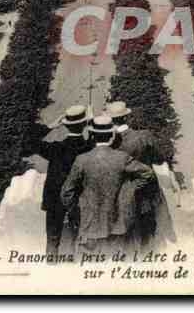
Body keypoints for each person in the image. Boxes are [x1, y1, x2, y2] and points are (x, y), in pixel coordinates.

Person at [61, 114, 154, 254]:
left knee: (88, 270)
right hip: (118, 224)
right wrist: (129, 190)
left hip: (90, 224)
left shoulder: (82, 160)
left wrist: (77, 211)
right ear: (111, 135)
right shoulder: (122, 158)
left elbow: (66, 192)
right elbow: (148, 173)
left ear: (92, 134)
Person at [36, 105, 92, 258]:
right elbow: (101, 140)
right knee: (81, 241)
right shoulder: (89, 147)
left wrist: (49, 127)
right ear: (84, 125)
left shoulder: (55, 149)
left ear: (66, 126)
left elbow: (28, 143)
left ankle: (52, 267)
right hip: (80, 200)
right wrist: (91, 123)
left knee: (53, 240)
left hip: (55, 201)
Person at [108, 101, 164, 249]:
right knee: (147, 232)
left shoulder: (109, 142)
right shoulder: (144, 136)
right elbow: (160, 158)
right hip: (146, 191)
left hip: (121, 194)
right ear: (126, 117)